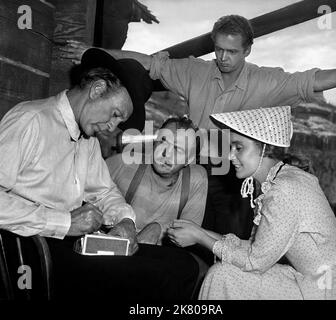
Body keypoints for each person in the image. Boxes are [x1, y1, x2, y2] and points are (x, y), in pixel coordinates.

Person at [60, 14, 336, 239]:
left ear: (247, 50)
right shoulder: (197, 71)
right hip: (192, 168)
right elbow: (150, 64)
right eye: (218, 48)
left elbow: (310, 81)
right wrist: (94, 52)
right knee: (187, 235)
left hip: (233, 172)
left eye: (232, 51)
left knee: (233, 238)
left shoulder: (264, 80)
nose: (223, 57)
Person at [0, 57, 198, 300]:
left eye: (119, 121)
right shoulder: (30, 120)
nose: (113, 126)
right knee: (155, 276)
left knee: (182, 265)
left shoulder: (88, 139)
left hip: (70, 244)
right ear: (97, 89)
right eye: (114, 114)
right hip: (33, 251)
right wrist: (64, 222)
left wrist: (125, 220)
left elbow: (104, 192)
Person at [166, 105, 336, 300]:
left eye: (238, 148)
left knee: (222, 275)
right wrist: (200, 232)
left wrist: (200, 237)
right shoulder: (278, 180)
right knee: (222, 275)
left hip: (328, 288)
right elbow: (256, 246)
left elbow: (255, 260)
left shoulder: (284, 189)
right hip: (314, 280)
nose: (230, 156)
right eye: (230, 148)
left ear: (265, 147)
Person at [106, 116, 208, 245]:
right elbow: (89, 199)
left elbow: (190, 236)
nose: (166, 153)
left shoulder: (196, 179)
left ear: (189, 160)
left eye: (177, 149)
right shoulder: (123, 164)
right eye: (162, 142)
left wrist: (158, 229)